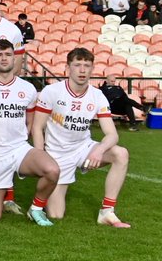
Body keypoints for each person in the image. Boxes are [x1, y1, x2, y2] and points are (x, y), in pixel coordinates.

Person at [29, 48, 129, 227]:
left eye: (87, 66)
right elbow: (37, 127)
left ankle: (107, 212)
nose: (82, 70)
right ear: (68, 67)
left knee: (120, 154)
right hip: (56, 154)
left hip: (84, 149)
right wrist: (41, 157)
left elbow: (112, 134)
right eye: (77, 65)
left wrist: (98, 151)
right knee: (56, 215)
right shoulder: (52, 91)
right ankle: (41, 202)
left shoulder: (97, 95)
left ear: (92, 69)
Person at [0, 39, 59, 225]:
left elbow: (30, 122)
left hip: (18, 149)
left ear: (15, 58)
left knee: (52, 170)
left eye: (8, 54)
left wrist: (23, 143)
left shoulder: (27, 88)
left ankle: (36, 208)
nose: (4, 59)